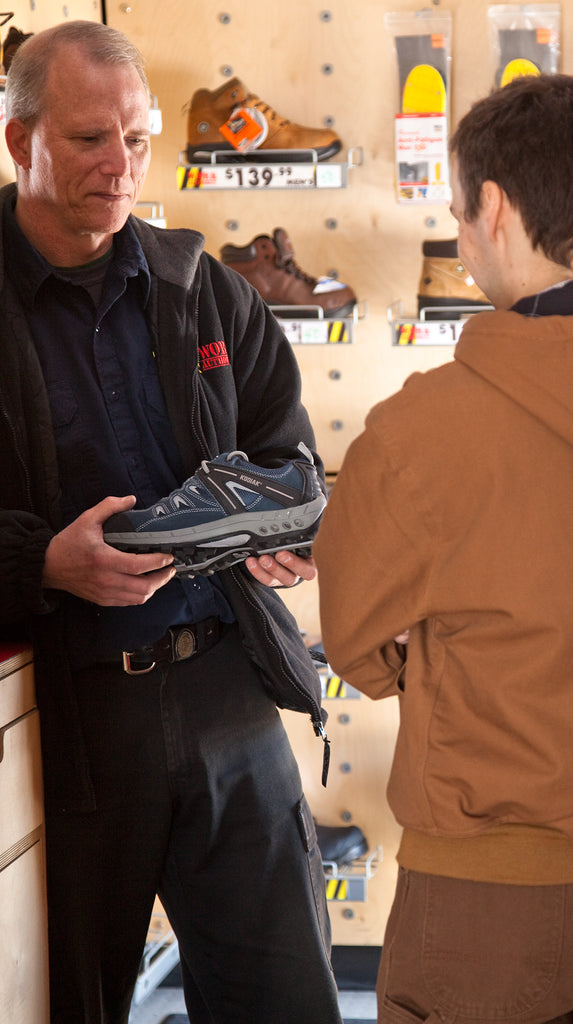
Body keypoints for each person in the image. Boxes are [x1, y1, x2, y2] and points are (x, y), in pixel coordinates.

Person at [0, 19, 342, 1024]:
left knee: (286, 999)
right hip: (66, 725)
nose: (121, 167)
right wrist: (45, 563)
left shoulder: (205, 288)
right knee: (66, 1002)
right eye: (89, 139)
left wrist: (281, 527)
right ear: (20, 140)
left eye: (137, 139)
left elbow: (289, 456)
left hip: (227, 691)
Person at [314, 72, 573, 1024]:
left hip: (489, 895)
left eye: (459, 214)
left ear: (494, 210)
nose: (460, 239)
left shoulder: (419, 434)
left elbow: (354, 645)